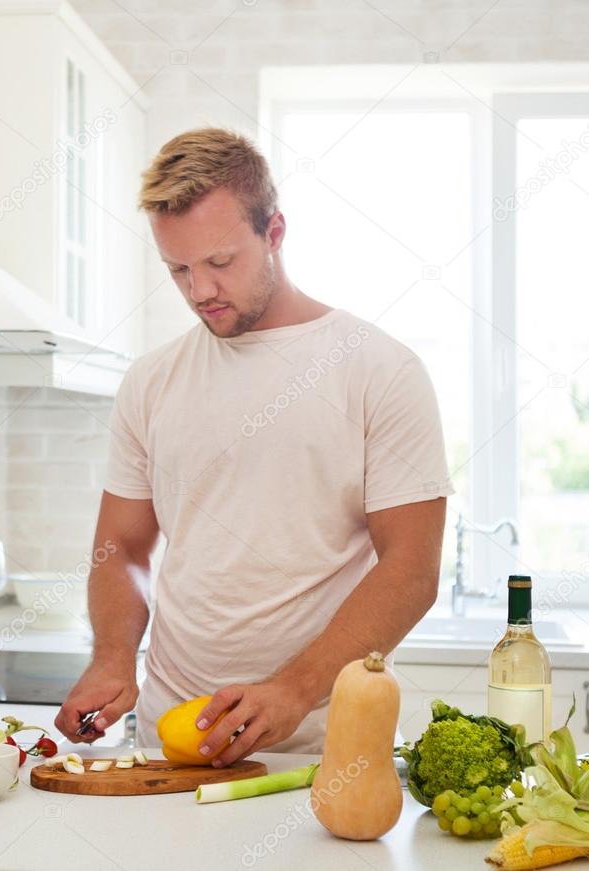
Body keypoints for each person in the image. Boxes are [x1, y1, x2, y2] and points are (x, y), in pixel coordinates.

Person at [54, 127, 453, 765]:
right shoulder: (151, 381)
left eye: (220, 263)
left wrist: (291, 690)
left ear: (274, 233)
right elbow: (123, 547)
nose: (200, 291)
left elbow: (412, 569)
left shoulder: (379, 370)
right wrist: (110, 658)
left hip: (324, 744)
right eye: (178, 270)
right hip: (172, 740)